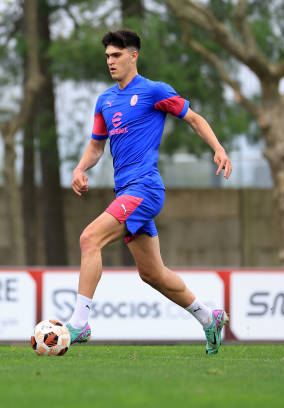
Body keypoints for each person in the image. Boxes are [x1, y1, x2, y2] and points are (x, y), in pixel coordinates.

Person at [65, 29, 232, 354]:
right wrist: (80, 168)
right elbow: (97, 146)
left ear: (133, 55)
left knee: (89, 238)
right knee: (152, 273)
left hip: (145, 188)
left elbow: (194, 119)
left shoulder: (154, 91)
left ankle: (80, 322)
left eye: (116, 55)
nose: (110, 62)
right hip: (126, 192)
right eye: (107, 57)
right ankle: (208, 317)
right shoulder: (106, 100)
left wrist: (218, 148)